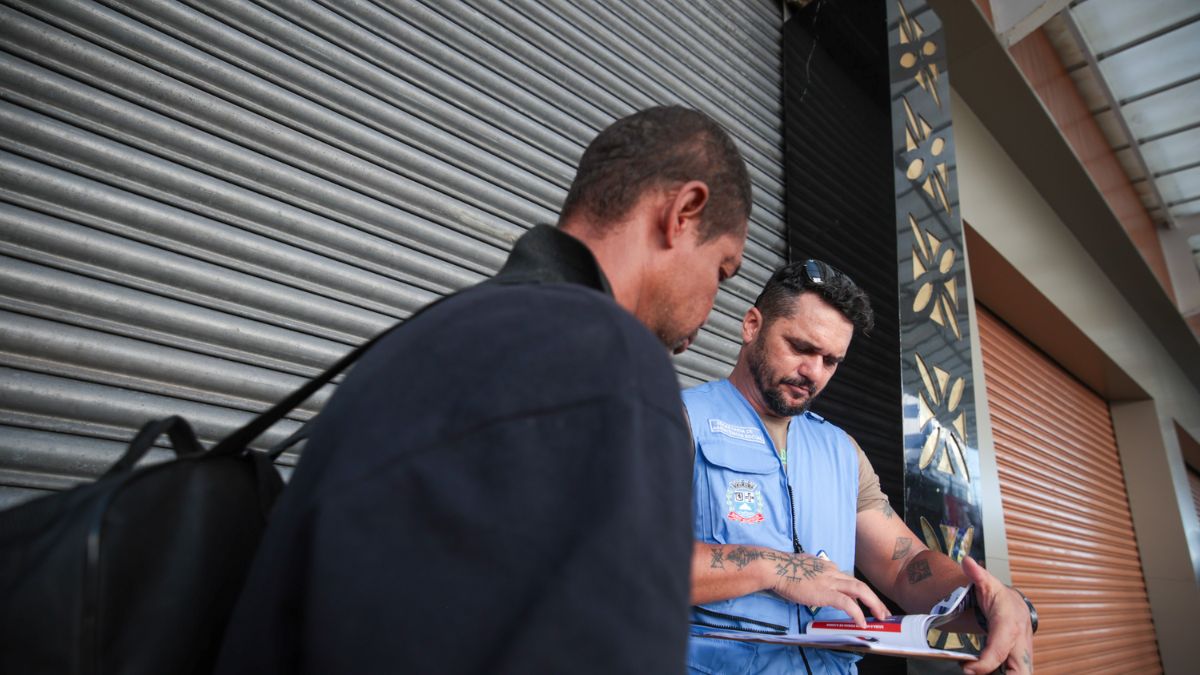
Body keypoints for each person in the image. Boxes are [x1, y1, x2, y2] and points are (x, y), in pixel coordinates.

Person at [215, 106, 751, 674]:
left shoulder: (423, 337)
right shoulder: (616, 359)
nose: (709, 307)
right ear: (684, 213)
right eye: (722, 271)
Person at [685, 260, 1036, 675]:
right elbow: (623, 561)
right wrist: (774, 568)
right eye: (800, 347)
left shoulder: (840, 450)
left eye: (831, 360)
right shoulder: (679, 420)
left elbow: (905, 565)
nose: (813, 372)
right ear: (751, 325)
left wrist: (981, 599)